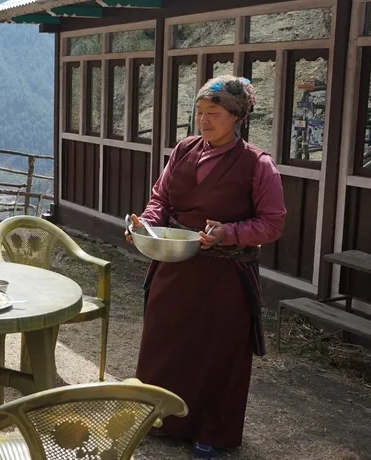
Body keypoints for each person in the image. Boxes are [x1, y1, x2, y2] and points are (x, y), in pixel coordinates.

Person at [126, 76, 286, 459]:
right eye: (199, 113)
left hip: (225, 278)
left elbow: (273, 223)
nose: (204, 121)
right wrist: (145, 223)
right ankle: (160, 418)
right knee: (162, 344)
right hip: (175, 267)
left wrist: (229, 232)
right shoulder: (184, 150)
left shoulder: (257, 165)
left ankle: (211, 431)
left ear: (237, 118)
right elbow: (161, 197)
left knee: (217, 352)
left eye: (213, 114)